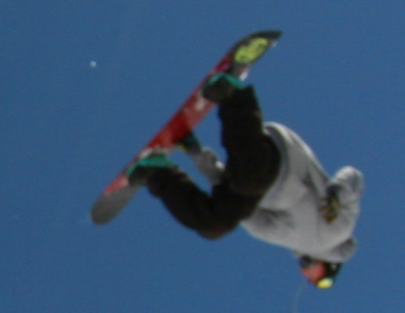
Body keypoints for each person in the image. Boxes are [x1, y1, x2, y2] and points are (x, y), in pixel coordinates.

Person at [129, 69, 362, 286]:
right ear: (330, 266)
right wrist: (336, 191)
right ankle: (233, 95)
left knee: (216, 224)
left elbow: (229, 193)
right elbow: (354, 178)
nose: (306, 276)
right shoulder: (338, 232)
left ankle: (157, 173)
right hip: (283, 159)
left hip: (256, 183)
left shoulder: (284, 239)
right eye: (320, 280)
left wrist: (196, 154)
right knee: (249, 181)